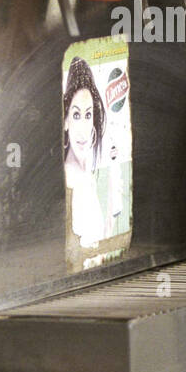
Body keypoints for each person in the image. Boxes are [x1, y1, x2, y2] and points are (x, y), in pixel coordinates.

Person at [62, 56, 120, 248]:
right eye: (76, 115)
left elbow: (104, 236)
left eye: (88, 115)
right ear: (66, 120)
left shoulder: (87, 177)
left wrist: (113, 170)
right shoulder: (71, 177)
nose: (83, 128)